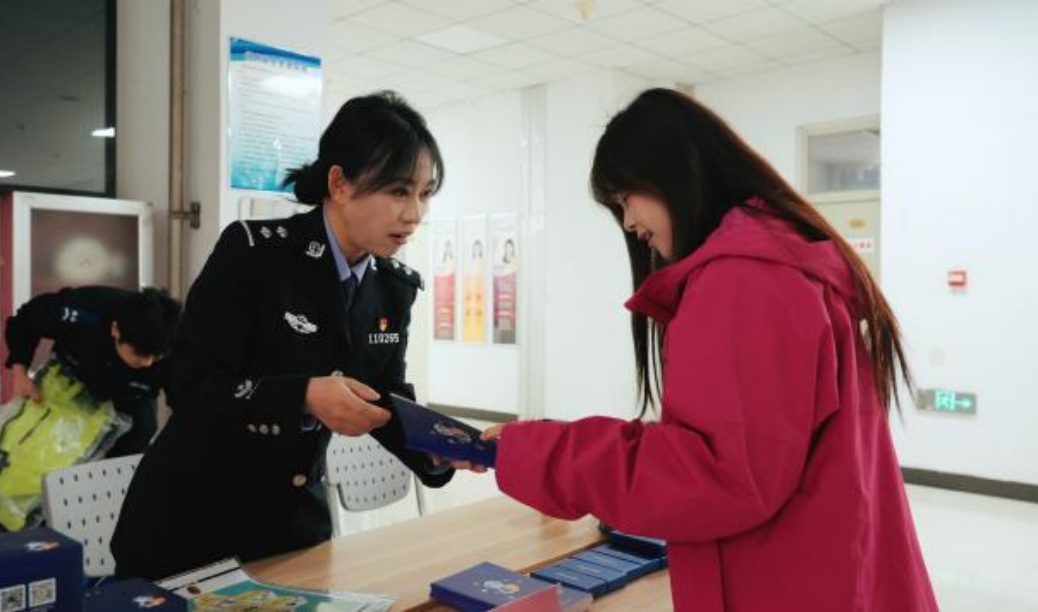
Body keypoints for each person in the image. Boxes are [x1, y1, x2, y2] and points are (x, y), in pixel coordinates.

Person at [462, 89, 938, 611]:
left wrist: (538, 452)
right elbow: (735, 446)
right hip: (830, 572)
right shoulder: (783, 263)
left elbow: (716, 474)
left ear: (675, 173)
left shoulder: (743, 282)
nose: (628, 222)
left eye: (626, 197)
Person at [111, 91, 454, 580]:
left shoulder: (392, 288)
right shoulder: (255, 254)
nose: (415, 213)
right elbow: (191, 384)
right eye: (399, 191)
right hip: (191, 524)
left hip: (291, 527)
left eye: (426, 193)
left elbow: (381, 396)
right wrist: (304, 395)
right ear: (339, 183)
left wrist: (443, 446)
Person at [3, 285, 181, 457]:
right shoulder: (85, 310)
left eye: (155, 356)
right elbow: (26, 320)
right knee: (44, 443)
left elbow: (185, 402)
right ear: (116, 329)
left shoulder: (178, 342)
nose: (147, 362)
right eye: (138, 354)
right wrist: (20, 373)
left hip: (131, 392)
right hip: (72, 375)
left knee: (142, 430)